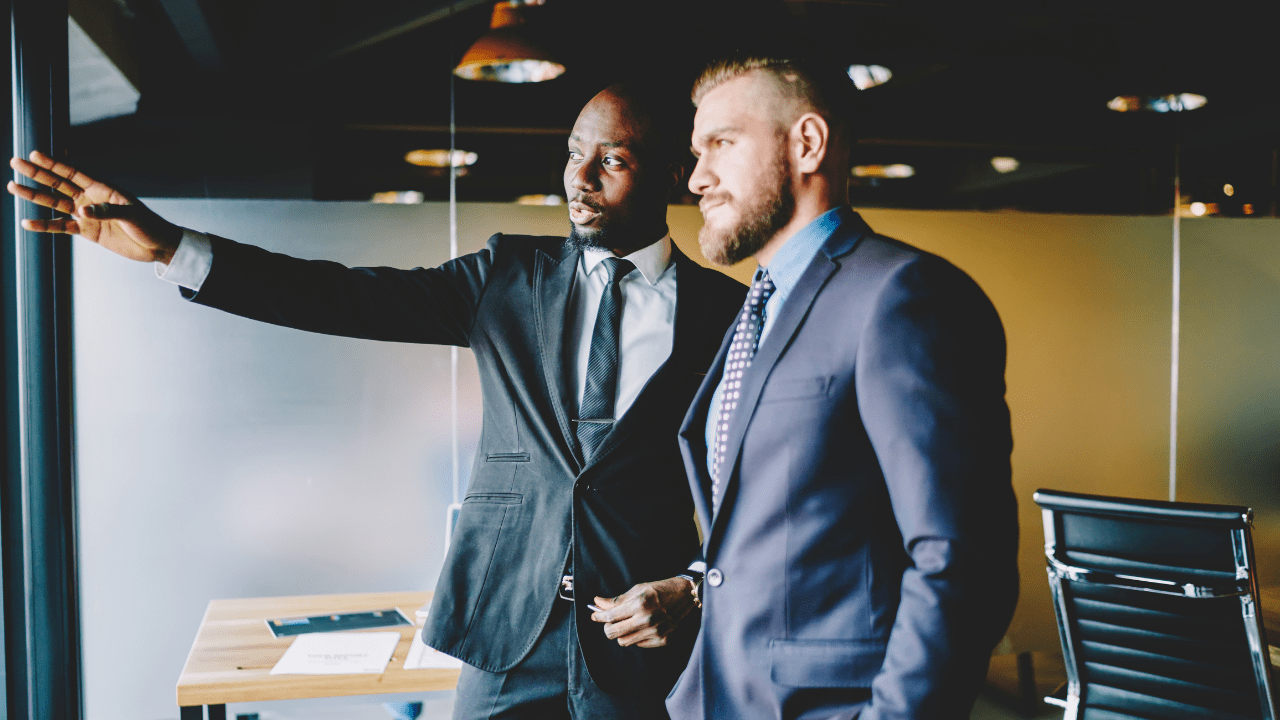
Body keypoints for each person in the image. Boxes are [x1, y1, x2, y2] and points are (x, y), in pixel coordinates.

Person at [8, 84, 745, 719]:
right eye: (572, 152)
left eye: (612, 160)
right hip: (505, 637)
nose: (579, 178)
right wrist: (173, 247)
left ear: (676, 174)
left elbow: (765, 488)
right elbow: (342, 296)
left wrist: (692, 586)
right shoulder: (508, 277)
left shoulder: (729, 315)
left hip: (641, 648)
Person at [669, 53, 1020, 719]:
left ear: (806, 143)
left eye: (721, 144)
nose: (697, 178)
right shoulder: (761, 305)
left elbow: (959, 562)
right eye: (696, 151)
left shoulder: (904, 296)